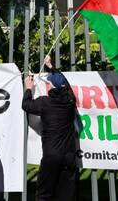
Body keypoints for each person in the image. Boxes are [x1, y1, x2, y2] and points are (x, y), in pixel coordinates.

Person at [22, 55, 79, 201]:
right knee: (67, 195)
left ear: (51, 87)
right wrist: (50, 66)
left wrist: (28, 89)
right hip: (69, 156)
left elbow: (26, 105)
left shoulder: (45, 102)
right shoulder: (70, 100)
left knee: (44, 195)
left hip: (51, 157)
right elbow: (65, 82)